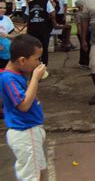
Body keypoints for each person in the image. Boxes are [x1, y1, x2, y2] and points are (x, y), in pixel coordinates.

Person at [0, 34, 48, 181]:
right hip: (25, 132)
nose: (38, 63)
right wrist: (35, 78)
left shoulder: (19, 74)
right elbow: (24, 105)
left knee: (39, 170)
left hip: (31, 130)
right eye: (36, 59)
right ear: (22, 60)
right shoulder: (9, 78)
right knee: (31, 176)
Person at [26, 0, 71, 65]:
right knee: (43, 49)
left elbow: (27, 15)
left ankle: (34, 66)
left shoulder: (30, 4)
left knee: (33, 49)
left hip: (32, 30)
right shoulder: (46, 2)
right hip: (43, 29)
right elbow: (52, 14)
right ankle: (43, 67)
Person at [75, 0, 90, 69]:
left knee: (88, 47)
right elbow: (78, 25)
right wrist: (81, 36)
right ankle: (83, 62)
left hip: (87, 32)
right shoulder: (78, 14)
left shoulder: (85, 13)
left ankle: (87, 61)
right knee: (84, 48)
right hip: (82, 33)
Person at [0, 1, 15, 68]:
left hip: (7, 54)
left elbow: (14, 35)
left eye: (4, 8)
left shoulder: (7, 19)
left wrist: (7, 35)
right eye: (0, 7)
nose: (3, 10)